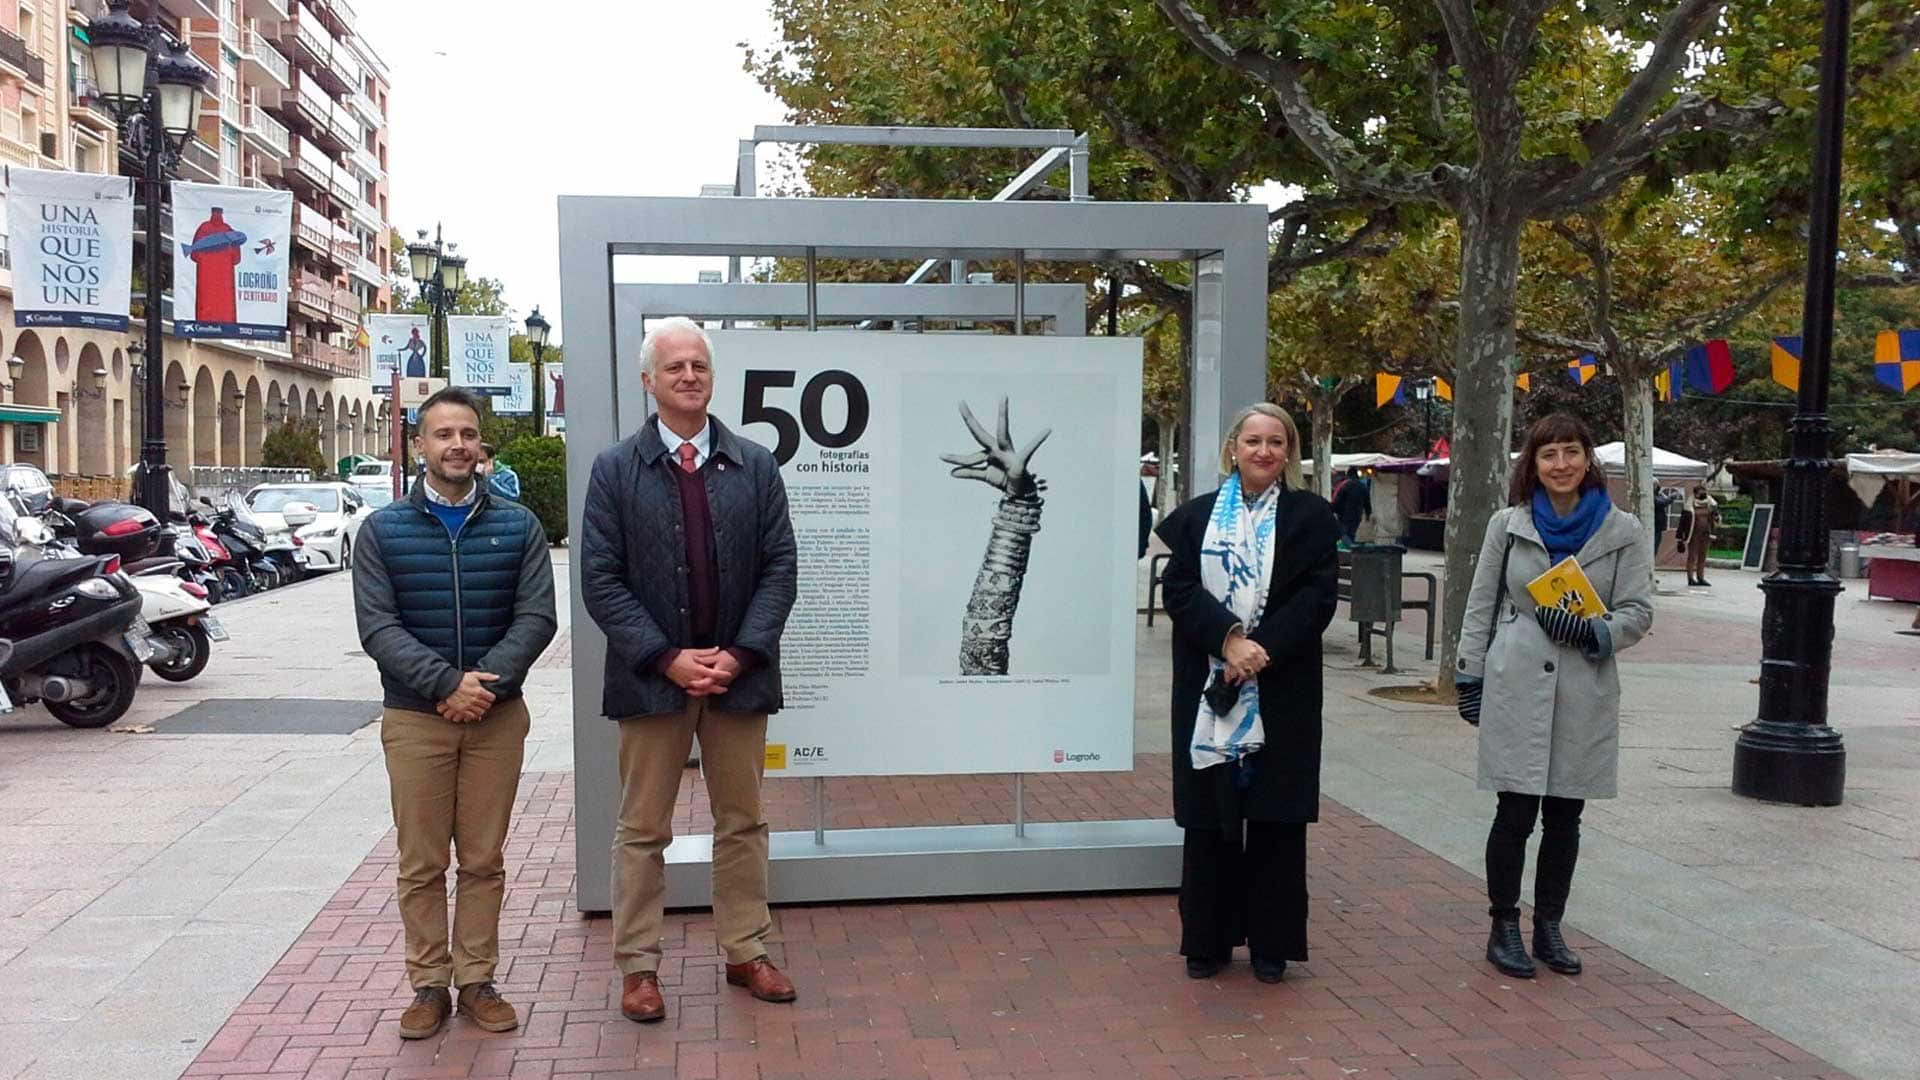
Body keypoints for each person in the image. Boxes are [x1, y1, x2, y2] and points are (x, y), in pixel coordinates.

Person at [579, 317, 799, 1023]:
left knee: (744, 822)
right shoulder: (616, 469)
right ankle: (639, 968)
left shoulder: (756, 464)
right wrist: (668, 658)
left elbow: (781, 569)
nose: (689, 376)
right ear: (649, 381)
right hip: (653, 681)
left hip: (739, 679)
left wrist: (737, 654)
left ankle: (746, 950)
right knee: (643, 828)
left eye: (699, 365)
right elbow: (600, 578)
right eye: (673, 367)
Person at [351, 386, 557, 1039]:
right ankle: (428, 985)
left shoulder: (517, 524)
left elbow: (537, 618)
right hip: (416, 717)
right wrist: (445, 683)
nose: (458, 446)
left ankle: (477, 980)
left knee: (484, 857)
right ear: (420, 445)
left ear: (481, 444)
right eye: (444, 435)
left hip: (496, 717)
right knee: (420, 860)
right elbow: (378, 627)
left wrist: (484, 686)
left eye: (467, 434)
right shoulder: (383, 530)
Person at [1454, 412, 1653, 979]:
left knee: (1566, 815)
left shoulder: (1624, 530)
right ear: (1532, 465)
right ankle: (1503, 928)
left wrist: (1598, 631)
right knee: (1514, 811)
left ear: (1588, 459)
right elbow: (1480, 603)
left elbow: (1639, 610)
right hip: (1515, 679)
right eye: (1548, 455)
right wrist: (1470, 676)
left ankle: (1549, 925)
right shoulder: (1507, 524)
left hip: (1583, 685)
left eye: (1571, 452)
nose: (1560, 465)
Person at [1154, 403, 1340, 984]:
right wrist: (1229, 641)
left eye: (1276, 442)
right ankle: (1205, 941)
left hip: (1281, 683)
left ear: (1290, 452)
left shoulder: (1311, 517)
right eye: (1253, 440)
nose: (1264, 451)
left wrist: (1261, 650)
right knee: (1210, 819)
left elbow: (1318, 597)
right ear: (1233, 447)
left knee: (1275, 818)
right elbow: (1178, 589)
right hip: (1210, 686)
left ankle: (1271, 943)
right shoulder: (1198, 517)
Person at [1674, 485, 1718, 587]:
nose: (1703, 494)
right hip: (1693, 535)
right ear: (1695, 493)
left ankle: (1701, 577)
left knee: (1702, 557)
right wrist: (1680, 538)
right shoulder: (1689, 506)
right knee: (1692, 557)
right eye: (1701, 492)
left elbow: (1715, 519)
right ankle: (1690, 578)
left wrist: (1716, 517)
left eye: (1704, 491)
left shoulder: (1710, 504)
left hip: (1706, 534)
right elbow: (1682, 523)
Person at [1331, 466, 1371, 544]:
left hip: (1344, 515)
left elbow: (1338, 500)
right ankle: (1351, 550)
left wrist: (1333, 509)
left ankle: (1349, 548)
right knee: (1351, 534)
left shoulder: (1345, 485)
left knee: (1343, 534)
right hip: (1357, 515)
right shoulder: (1363, 487)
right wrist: (1368, 514)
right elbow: (1367, 502)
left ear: (1348, 475)